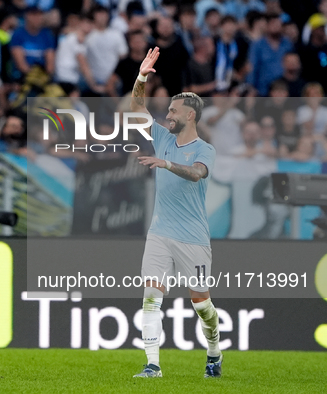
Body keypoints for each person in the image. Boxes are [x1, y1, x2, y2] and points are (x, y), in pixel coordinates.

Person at [130, 47, 222, 378]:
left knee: (202, 305)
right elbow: (137, 107)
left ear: (190, 116)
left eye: (174, 111)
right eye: (167, 109)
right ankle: (152, 364)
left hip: (193, 238)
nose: (167, 114)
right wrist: (141, 75)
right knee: (151, 296)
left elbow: (197, 173)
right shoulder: (162, 136)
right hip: (159, 233)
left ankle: (214, 351)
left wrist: (166, 164)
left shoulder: (204, 149)